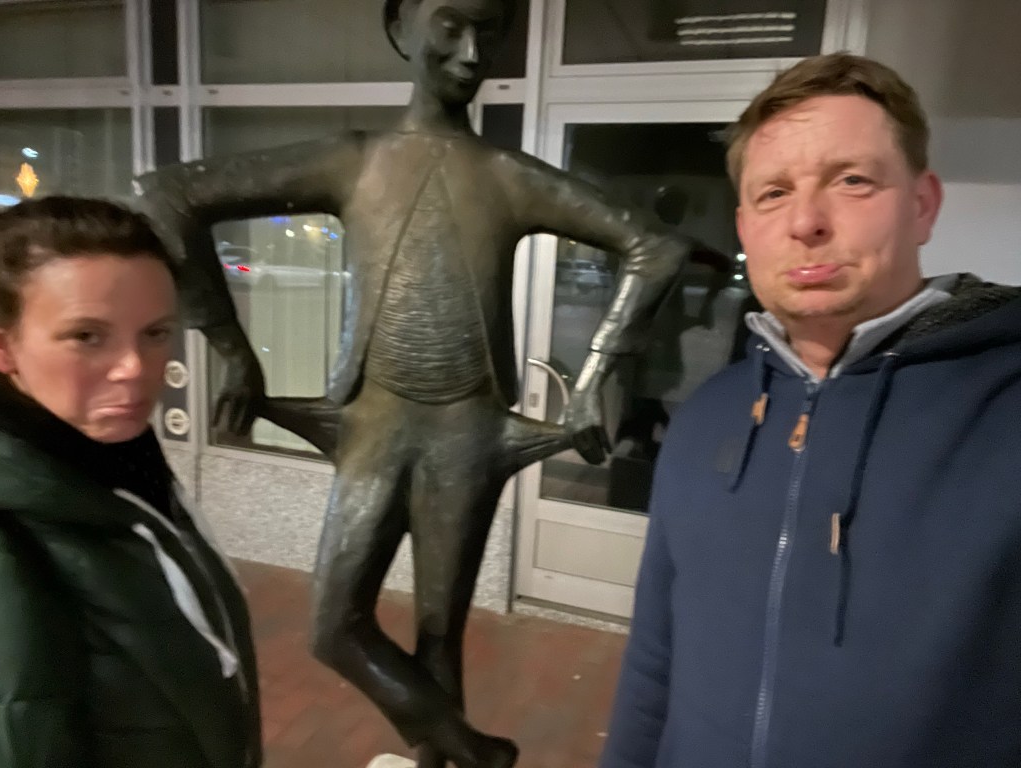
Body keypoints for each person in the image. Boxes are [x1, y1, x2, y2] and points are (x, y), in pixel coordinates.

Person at [133, 1, 709, 766]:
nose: (471, 53)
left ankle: (448, 758)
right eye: (450, 25)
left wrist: (595, 375)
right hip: (371, 426)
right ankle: (473, 751)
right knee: (334, 627)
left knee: (441, 633)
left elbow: (656, 248)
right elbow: (167, 196)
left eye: (490, 34)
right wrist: (233, 351)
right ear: (400, 27)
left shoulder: (504, 175)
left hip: (468, 431)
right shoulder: (354, 160)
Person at [600, 52, 1021, 768]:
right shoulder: (707, 418)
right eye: (773, 193)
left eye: (851, 180)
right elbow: (653, 663)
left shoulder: (1004, 410)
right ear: (744, 226)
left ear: (922, 204)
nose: (805, 222)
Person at [0, 196, 261, 768]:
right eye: (87, 336)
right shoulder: (12, 533)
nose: (135, 368)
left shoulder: (121, 464)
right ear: (3, 346)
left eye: (156, 332)